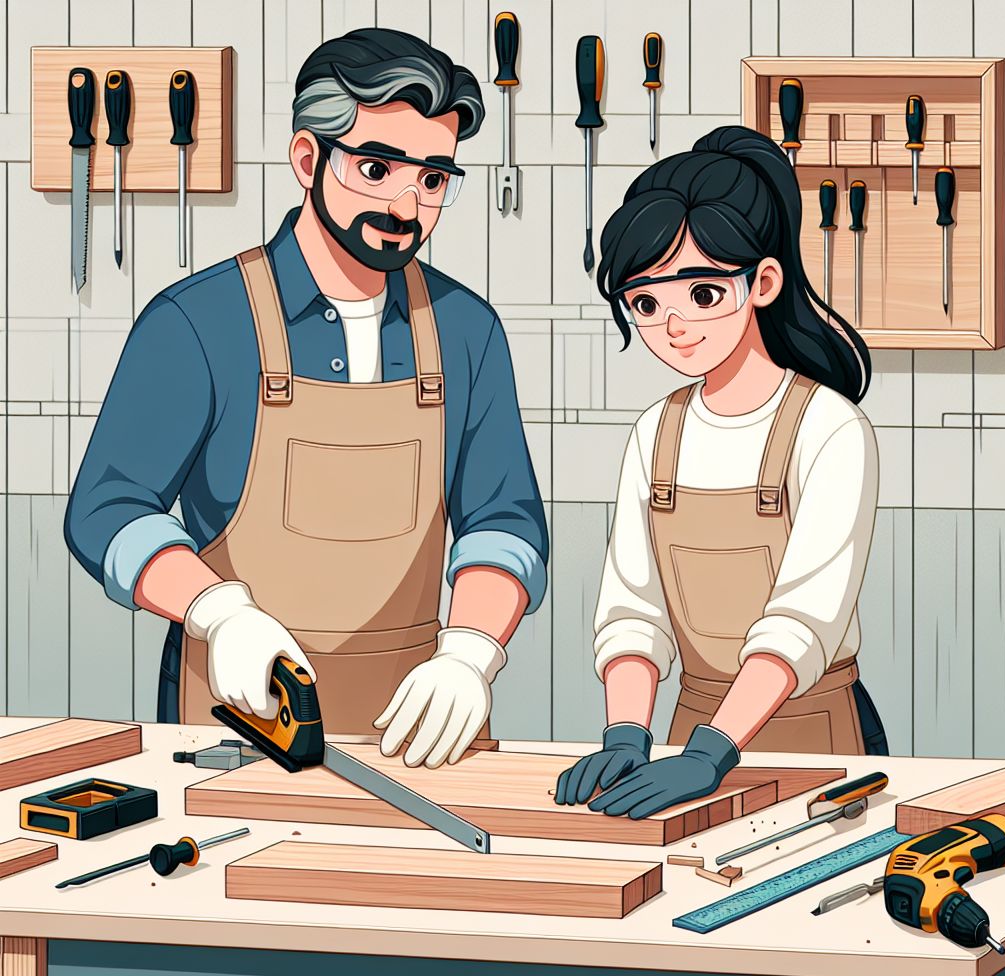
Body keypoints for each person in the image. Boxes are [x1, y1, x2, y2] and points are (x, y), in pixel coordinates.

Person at [65, 28, 548, 770]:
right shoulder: (197, 323)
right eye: (378, 167)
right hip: (241, 722)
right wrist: (217, 612)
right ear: (306, 159)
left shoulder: (466, 330)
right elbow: (107, 512)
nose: (406, 204)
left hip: (421, 733)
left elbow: (502, 524)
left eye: (432, 180)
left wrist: (472, 654)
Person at [555, 125, 887, 820]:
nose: (673, 325)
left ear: (763, 282)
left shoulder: (828, 429)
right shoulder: (657, 433)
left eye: (701, 294)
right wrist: (627, 731)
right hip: (687, 738)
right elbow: (632, 609)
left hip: (814, 738)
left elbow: (803, 622)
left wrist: (715, 752)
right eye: (646, 304)